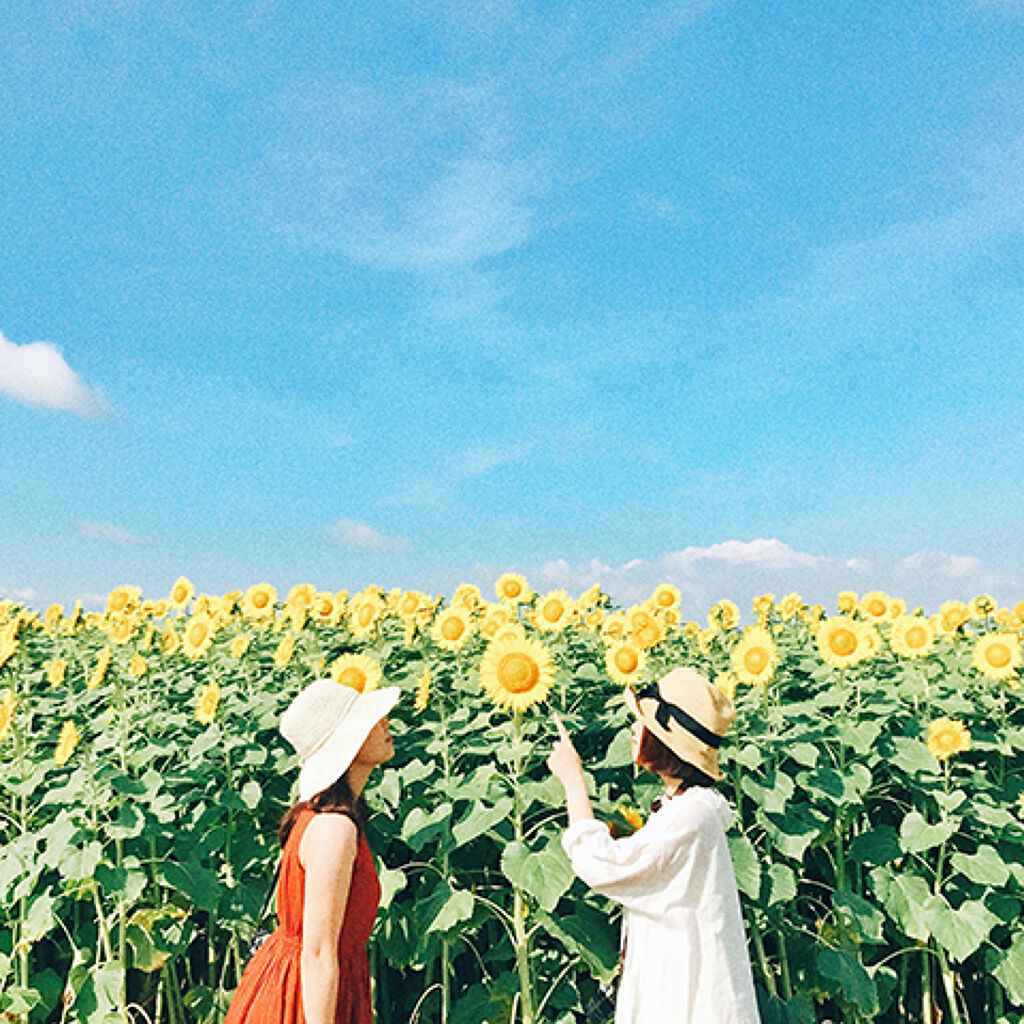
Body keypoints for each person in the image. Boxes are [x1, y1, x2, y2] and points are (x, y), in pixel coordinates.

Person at [547, 666, 761, 1024]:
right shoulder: (686, 805)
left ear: (666, 744)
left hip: (686, 996)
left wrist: (573, 782)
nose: (634, 729)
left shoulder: (691, 815)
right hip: (676, 980)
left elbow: (605, 866)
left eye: (643, 723)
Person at [224, 678, 401, 1024]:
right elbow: (318, 953)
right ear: (347, 743)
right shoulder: (334, 828)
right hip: (304, 996)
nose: (385, 723)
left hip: (293, 982)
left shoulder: (317, 815)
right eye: (371, 720)